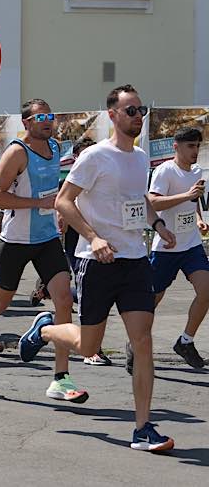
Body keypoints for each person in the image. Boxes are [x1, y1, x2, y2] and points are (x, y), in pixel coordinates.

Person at [21, 84, 177, 452]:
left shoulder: (140, 158)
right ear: (112, 115)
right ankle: (46, 329)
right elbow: (63, 201)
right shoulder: (94, 156)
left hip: (135, 260)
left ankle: (143, 428)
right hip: (98, 263)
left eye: (140, 111)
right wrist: (93, 238)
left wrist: (157, 226)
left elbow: (138, 199)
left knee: (143, 342)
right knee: (89, 344)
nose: (137, 117)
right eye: (130, 111)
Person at [0, 98, 88, 404]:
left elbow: (54, 192)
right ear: (27, 123)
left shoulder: (57, 148)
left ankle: (60, 377)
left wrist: (57, 210)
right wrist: (38, 204)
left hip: (46, 239)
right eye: (41, 117)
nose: (48, 121)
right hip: (16, 240)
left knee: (64, 299)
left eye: (51, 116)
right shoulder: (17, 152)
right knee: (0, 300)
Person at [145, 126, 209, 369]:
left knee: (206, 290)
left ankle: (186, 341)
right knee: (151, 299)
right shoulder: (164, 171)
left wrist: (199, 218)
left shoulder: (196, 171)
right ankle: (136, 343)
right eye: (190, 146)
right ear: (176, 146)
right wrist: (186, 195)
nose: (195, 151)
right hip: (166, 247)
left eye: (198, 146)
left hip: (191, 244)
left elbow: (193, 201)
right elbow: (153, 201)